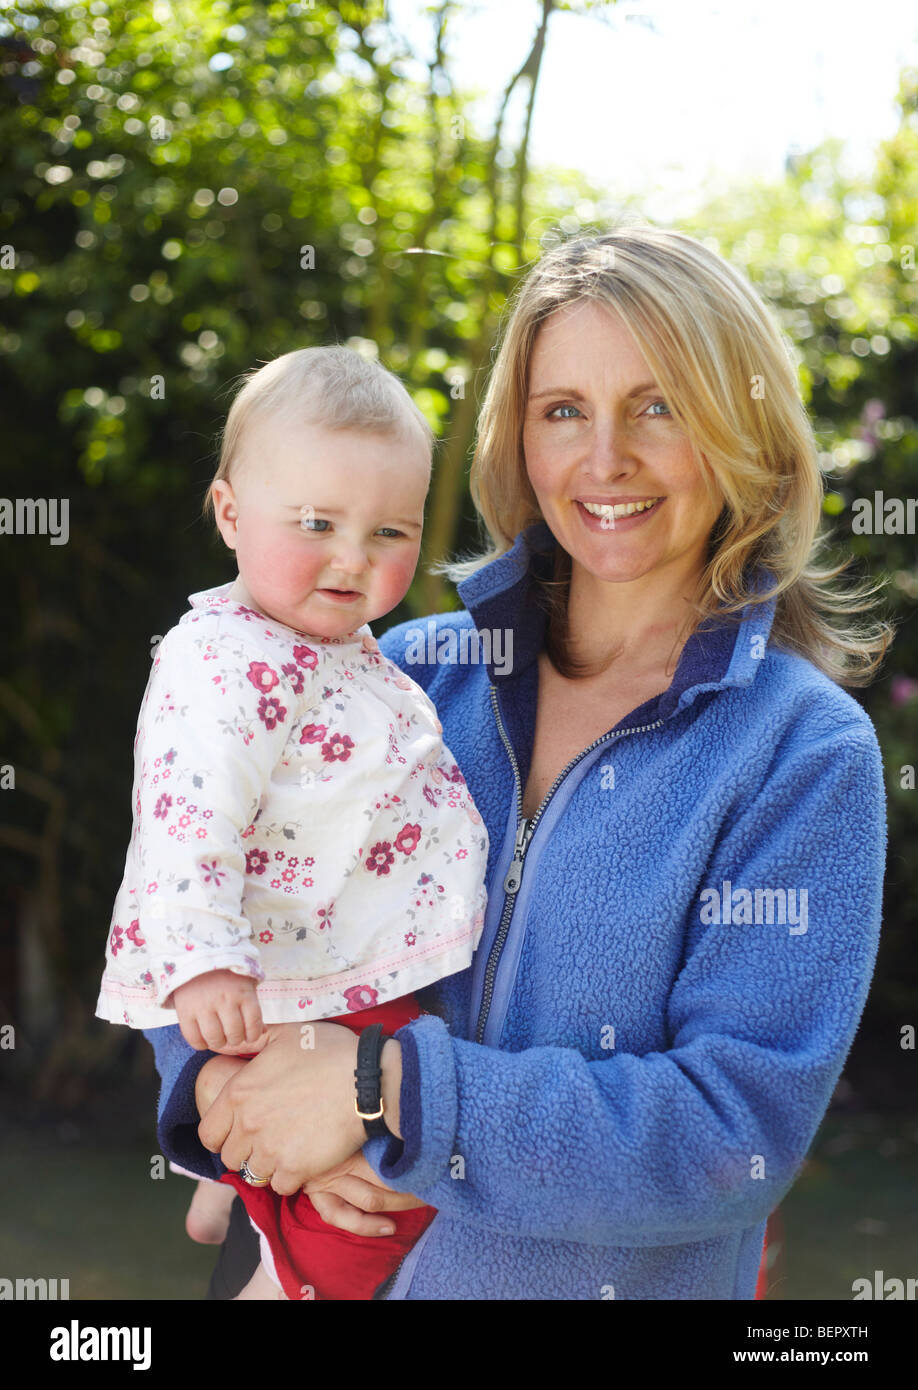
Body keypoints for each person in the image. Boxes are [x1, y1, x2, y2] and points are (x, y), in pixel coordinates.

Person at [148, 224, 890, 1300]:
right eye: (564, 411)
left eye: (660, 405)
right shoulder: (393, 673)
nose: (605, 461)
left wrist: (390, 1093)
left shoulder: (802, 752)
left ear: (744, 427)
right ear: (520, 439)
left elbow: (734, 1131)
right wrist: (223, 1097)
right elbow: (203, 876)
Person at [96, 345, 489, 1299]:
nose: (353, 558)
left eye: (390, 532)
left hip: (337, 961)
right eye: (317, 523)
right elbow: (188, 816)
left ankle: (219, 1190)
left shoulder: (342, 646)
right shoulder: (222, 660)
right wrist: (203, 955)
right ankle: (281, 1276)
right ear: (231, 512)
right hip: (293, 976)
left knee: (370, 1156)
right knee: (371, 1206)